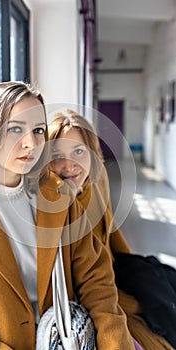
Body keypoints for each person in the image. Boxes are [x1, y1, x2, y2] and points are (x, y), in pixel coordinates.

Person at [0, 81, 135, 349]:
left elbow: (98, 284)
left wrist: (114, 344)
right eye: (15, 129)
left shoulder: (60, 198)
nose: (31, 143)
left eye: (38, 130)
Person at [48, 110, 175, 350]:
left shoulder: (97, 181)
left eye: (78, 152)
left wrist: (134, 271)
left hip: (113, 277)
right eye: (57, 155)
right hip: (88, 300)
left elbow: (110, 230)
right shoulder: (52, 205)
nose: (69, 165)